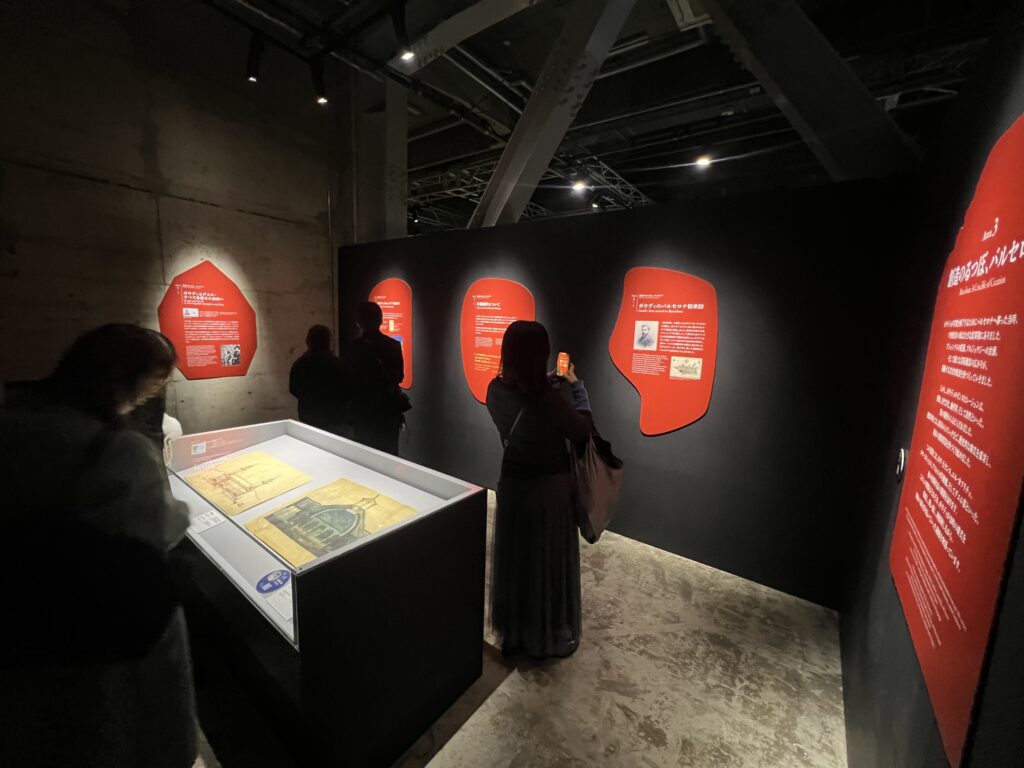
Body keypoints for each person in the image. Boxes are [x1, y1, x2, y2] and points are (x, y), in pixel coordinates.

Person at [0, 324, 197, 768]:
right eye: (154, 381)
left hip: (25, 633)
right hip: (106, 638)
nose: (154, 393)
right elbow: (158, 531)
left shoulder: (14, 423)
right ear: (128, 378)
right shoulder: (117, 450)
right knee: (116, 732)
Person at [486, 321, 593, 661]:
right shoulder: (551, 399)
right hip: (549, 490)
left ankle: (517, 632)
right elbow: (582, 429)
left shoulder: (494, 390)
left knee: (517, 559)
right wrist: (577, 387)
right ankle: (544, 633)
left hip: (512, 483)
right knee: (545, 562)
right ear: (541, 355)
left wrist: (545, 382)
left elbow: (522, 402)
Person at [347, 302, 405, 455]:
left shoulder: (353, 348)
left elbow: (349, 380)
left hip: (363, 410)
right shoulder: (393, 345)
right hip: (387, 410)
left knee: (364, 454)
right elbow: (399, 376)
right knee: (389, 453)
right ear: (380, 320)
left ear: (358, 322)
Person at [289, 324, 348, 434]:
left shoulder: (300, 364)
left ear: (308, 341)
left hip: (308, 416)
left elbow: (293, 389)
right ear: (328, 341)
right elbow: (346, 390)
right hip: (333, 417)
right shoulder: (337, 363)